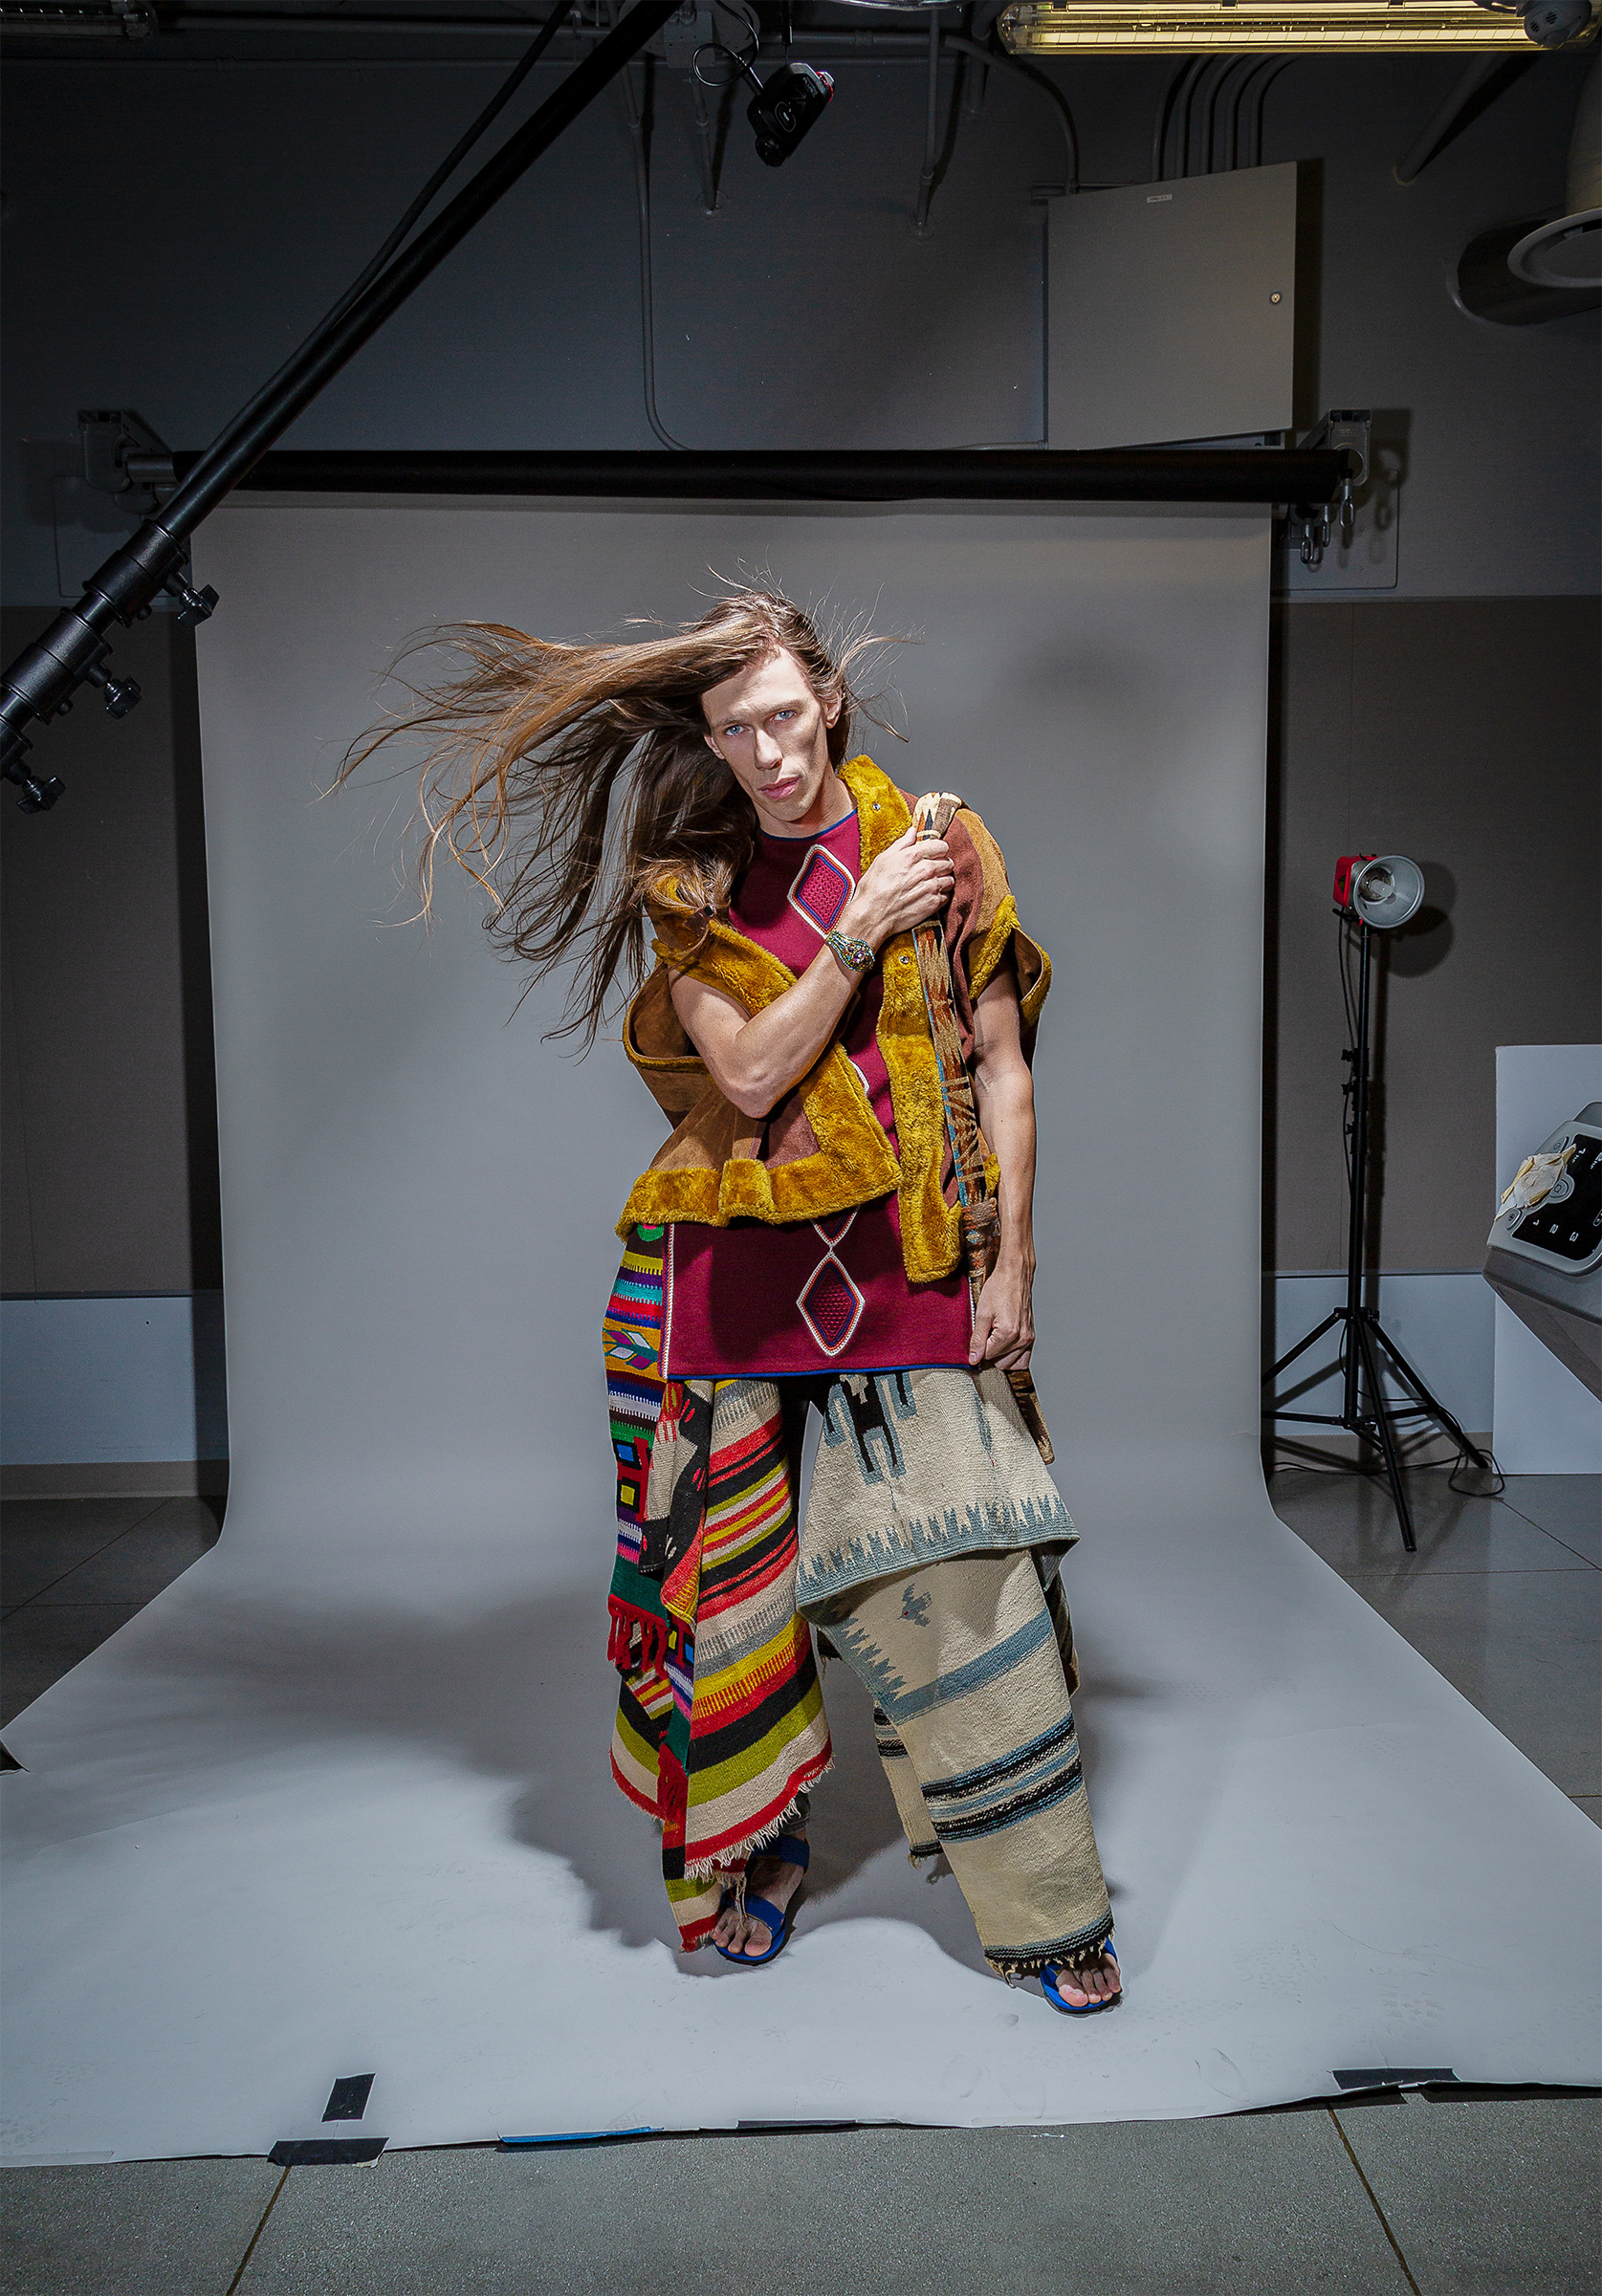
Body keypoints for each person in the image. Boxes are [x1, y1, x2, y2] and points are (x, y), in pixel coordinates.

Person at [345, 588, 1120, 2012]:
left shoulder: (944, 842)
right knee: (727, 1604)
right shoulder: (692, 886)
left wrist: (1014, 1266)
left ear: (827, 699)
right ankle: (757, 1853)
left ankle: (1052, 1908)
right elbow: (751, 1075)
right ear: (707, 741)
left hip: (908, 1262)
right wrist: (857, 927)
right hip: (731, 1281)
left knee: (969, 1587)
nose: (765, 753)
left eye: (781, 716)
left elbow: (1005, 1065)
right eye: (733, 730)